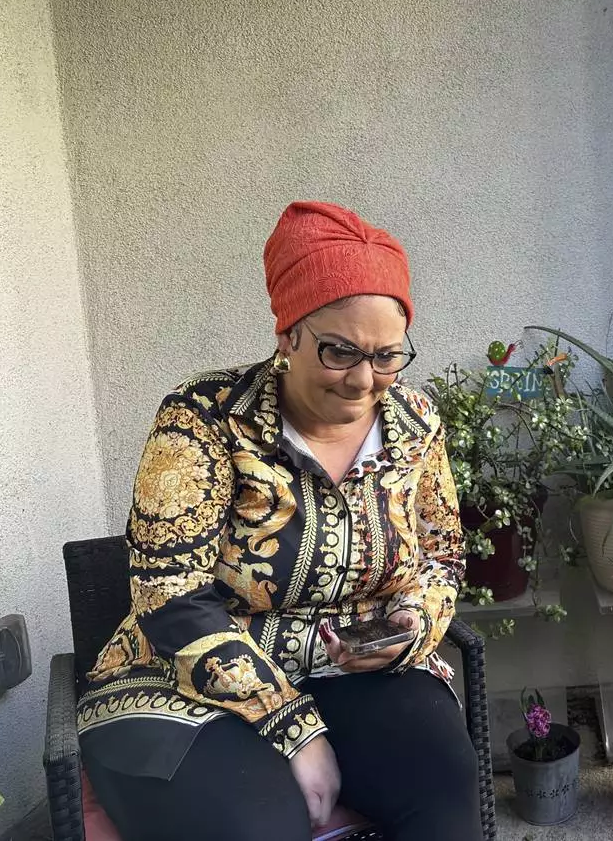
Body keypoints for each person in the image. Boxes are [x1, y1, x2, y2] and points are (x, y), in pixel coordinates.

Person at [77, 201, 482, 841]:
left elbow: (441, 554)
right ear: (287, 334)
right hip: (181, 681)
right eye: (340, 351)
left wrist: (412, 624)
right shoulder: (205, 416)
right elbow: (171, 594)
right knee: (259, 826)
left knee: (445, 790)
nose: (363, 380)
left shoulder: (415, 421)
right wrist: (293, 728)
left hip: (349, 668)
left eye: (386, 356)